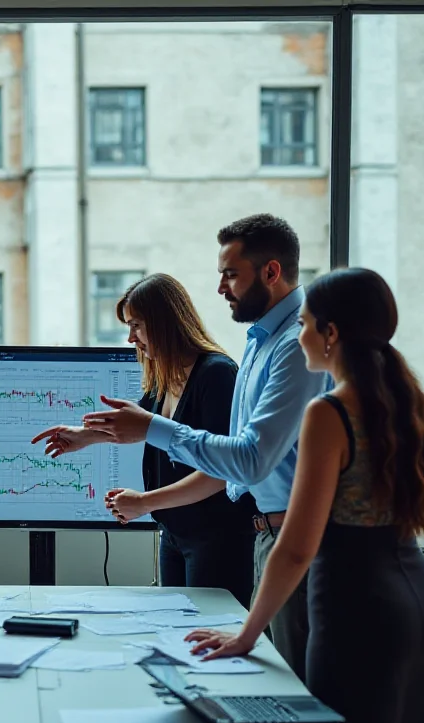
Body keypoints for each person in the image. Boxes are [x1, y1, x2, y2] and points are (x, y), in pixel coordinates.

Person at [185, 268, 424, 723]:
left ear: (332, 334)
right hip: (413, 592)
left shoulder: (328, 412)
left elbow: (297, 546)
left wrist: (247, 635)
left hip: (354, 601)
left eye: (303, 324)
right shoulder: (406, 400)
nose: (299, 337)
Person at [82, 214, 328, 682]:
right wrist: (93, 434)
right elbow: (232, 451)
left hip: (288, 538)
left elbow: (245, 460)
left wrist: (152, 450)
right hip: (270, 536)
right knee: (257, 674)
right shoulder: (260, 341)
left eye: (230, 274)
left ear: (271, 272)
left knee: (292, 689)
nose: (220, 288)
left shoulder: (296, 345)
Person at [32, 274, 256, 607]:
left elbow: (219, 474)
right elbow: (137, 426)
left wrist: (144, 502)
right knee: (176, 630)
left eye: (136, 326)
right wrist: (83, 437)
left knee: (208, 635)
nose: (130, 338)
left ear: (164, 322)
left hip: (217, 538)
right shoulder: (164, 377)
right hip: (176, 535)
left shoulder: (217, 374)